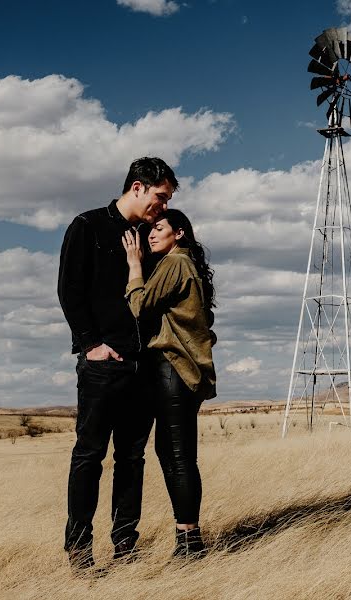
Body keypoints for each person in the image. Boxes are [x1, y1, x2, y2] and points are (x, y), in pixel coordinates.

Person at [57, 156, 178, 573]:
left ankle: (126, 545)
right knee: (89, 455)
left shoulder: (152, 236)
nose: (162, 208)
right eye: (160, 197)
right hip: (103, 365)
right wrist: (90, 345)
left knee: (132, 458)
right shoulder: (87, 226)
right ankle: (79, 550)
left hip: (144, 365)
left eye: (167, 202)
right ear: (138, 187)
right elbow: (69, 291)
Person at [122, 208, 217, 558]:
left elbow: (141, 306)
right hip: (181, 371)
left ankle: (190, 542)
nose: (150, 234)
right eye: (148, 230)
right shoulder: (185, 264)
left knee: (178, 455)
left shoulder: (175, 263)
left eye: (158, 228)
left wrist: (134, 266)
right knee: (173, 452)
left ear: (179, 233)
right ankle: (187, 537)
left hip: (173, 368)